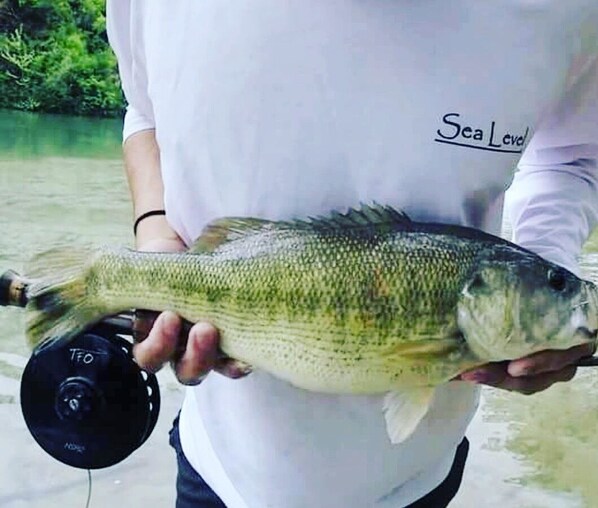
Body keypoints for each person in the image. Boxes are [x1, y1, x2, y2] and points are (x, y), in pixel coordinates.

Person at [106, 2, 598, 507]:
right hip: (220, 463)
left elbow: (570, 153)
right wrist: (157, 231)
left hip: (418, 477)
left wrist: (548, 271)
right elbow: (143, 104)